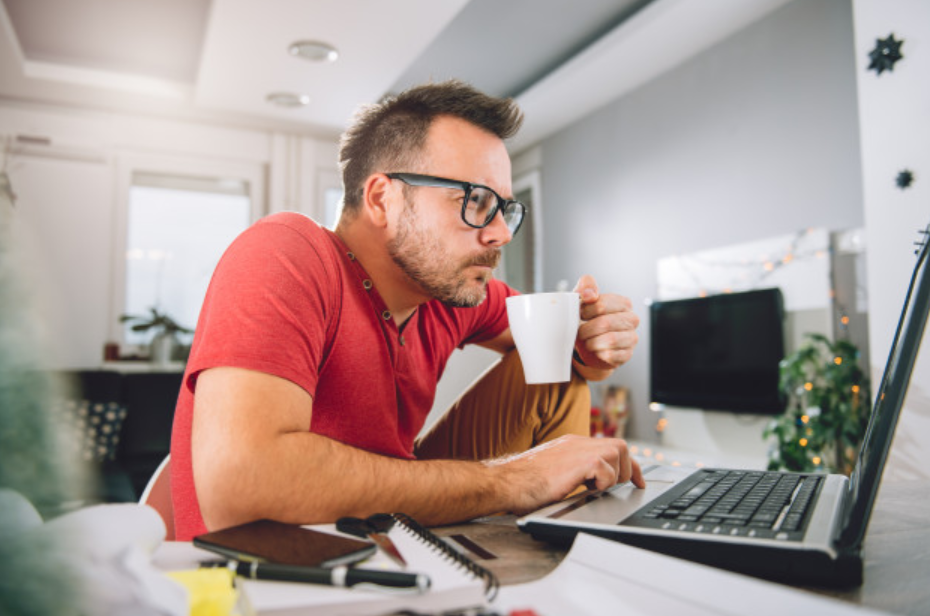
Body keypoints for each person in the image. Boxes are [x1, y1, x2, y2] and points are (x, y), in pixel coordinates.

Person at [170, 80, 644, 541]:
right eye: (475, 201)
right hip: (266, 569)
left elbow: (560, 340)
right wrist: (517, 479)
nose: (500, 232)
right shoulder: (287, 253)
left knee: (558, 375)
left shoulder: (446, 291)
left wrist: (593, 341)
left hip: (382, 529)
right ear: (382, 198)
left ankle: (562, 543)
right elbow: (242, 488)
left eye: (503, 208)